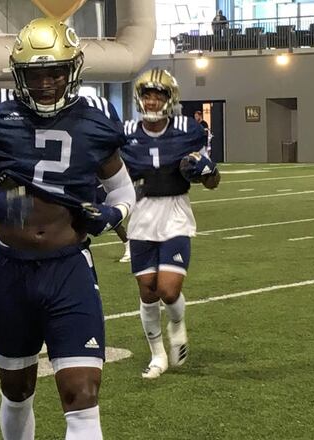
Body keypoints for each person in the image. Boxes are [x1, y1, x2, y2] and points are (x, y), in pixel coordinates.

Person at [0, 18, 135, 440]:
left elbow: (123, 192)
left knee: (81, 393)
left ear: (73, 70)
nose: (45, 83)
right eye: (34, 74)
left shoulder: (97, 117)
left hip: (69, 269)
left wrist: (113, 216)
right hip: (12, 270)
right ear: (18, 74)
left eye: (55, 72)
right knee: (17, 390)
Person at [121, 68, 221, 380]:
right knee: (148, 292)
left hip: (175, 213)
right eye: (147, 95)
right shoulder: (124, 132)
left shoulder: (186, 130)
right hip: (141, 215)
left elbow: (212, 182)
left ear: (169, 98)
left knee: (167, 288)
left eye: (158, 95)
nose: (151, 101)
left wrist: (208, 169)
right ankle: (157, 355)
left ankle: (177, 325)